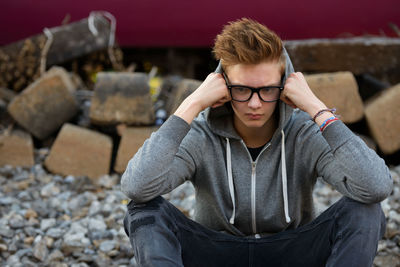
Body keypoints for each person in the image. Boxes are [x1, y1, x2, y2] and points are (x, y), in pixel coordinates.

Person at [121, 18, 393, 267]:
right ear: (223, 87)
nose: (254, 103)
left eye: (267, 90)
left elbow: (375, 187)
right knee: (143, 211)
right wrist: (191, 103)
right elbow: (138, 187)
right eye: (241, 89)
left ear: (285, 86)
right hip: (217, 255)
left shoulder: (304, 133)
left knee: (364, 210)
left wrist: (316, 108)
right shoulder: (200, 136)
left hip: (293, 255)